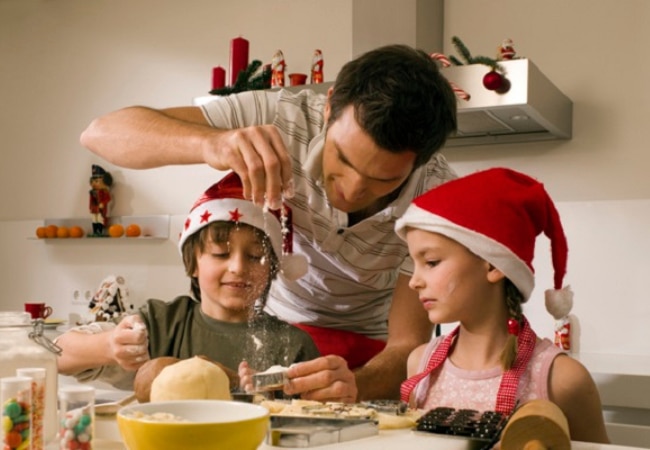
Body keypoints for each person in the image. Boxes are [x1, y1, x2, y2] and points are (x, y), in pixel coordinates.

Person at [79, 44, 458, 401]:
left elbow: (407, 345)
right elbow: (100, 134)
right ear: (327, 109)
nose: (353, 190)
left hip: (372, 353)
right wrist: (212, 143)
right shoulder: (280, 115)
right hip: (278, 335)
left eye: (384, 180)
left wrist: (349, 385)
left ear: (421, 162)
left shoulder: (437, 192)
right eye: (342, 159)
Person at [395, 167, 609, 444]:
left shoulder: (561, 379)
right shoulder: (420, 364)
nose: (414, 282)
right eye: (414, 263)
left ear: (493, 265)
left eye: (431, 262)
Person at [56, 172, 320, 395]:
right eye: (221, 253)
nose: (238, 268)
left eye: (255, 256)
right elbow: (57, 355)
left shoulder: (293, 345)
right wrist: (109, 346)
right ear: (193, 263)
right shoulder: (161, 325)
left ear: (272, 268)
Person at [88, 164, 113, 236]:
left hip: (100, 209)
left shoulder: (104, 192)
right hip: (94, 209)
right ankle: (95, 231)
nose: (94, 184)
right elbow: (91, 201)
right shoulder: (92, 192)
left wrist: (103, 203)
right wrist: (90, 207)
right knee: (94, 220)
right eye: (92, 182)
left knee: (100, 219)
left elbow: (108, 198)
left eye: (96, 181)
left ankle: (100, 231)